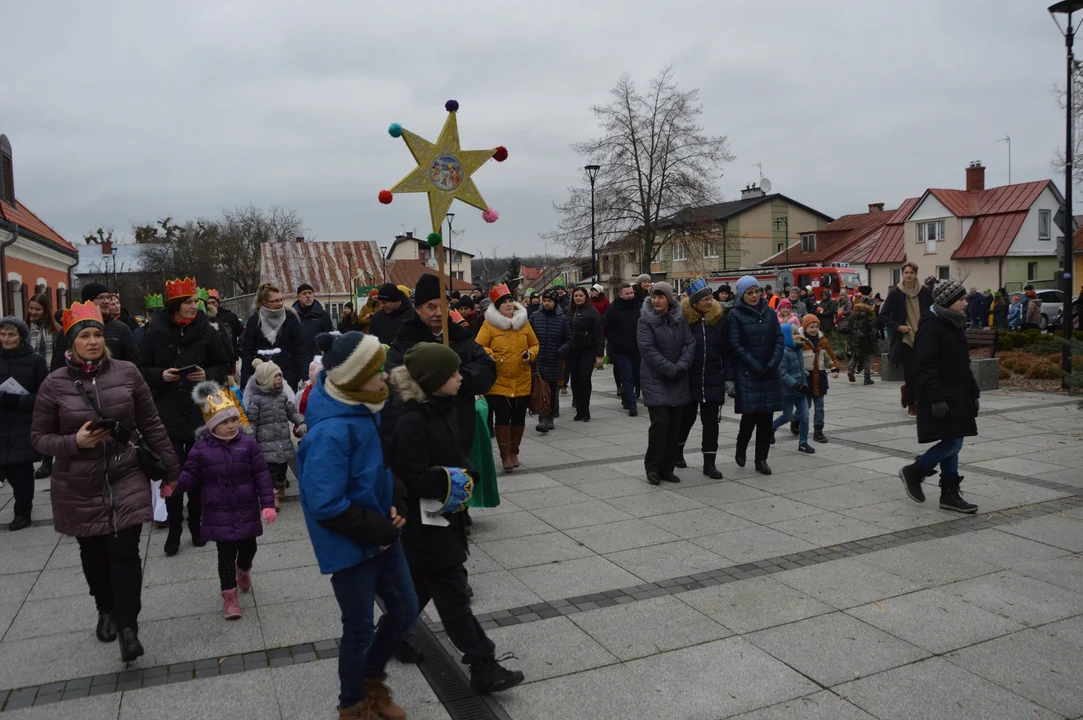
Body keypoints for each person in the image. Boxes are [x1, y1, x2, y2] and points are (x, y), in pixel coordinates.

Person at [31, 301, 179, 662]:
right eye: (85, 335)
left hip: (126, 472)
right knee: (94, 554)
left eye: (98, 334)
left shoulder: (127, 373)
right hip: (78, 484)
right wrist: (73, 443)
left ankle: (129, 628)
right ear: (72, 343)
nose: (94, 341)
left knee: (125, 551)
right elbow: (38, 437)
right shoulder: (54, 384)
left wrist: (171, 470)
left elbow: (151, 423)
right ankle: (105, 607)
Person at [389, 343, 524, 694]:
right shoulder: (412, 421)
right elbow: (412, 475)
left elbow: (454, 454)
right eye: (452, 373)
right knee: (453, 599)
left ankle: (388, 635)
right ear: (434, 381)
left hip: (442, 518)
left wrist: (467, 473)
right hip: (427, 526)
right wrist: (455, 481)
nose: (461, 377)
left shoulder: (439, 410)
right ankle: (483, 664)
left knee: (418, 589)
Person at [297, 331, 418, 719]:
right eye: (377, 371)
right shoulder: (332, 430)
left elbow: (381, 465)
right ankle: (352, 704)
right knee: (359, 628)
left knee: (405, 608)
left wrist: (397, 499)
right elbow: (325, 502)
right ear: (352, 378)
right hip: (351, 545)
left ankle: (371, 680)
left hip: (381, 532)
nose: (385, 378)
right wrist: (380, 528)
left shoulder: (367, 407)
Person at [162, 382, 276, 619]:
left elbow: (262, 474)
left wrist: (267, 503)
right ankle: (230, 597)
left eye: (234, 420)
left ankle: (243, 569)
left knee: (249, 548)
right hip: (218, 513)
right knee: (225, 556)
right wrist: (174, 487)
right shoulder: (201, 449)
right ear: (212, 425)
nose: (231, 425)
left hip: (246, 509)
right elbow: (190, 476)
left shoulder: (248, 444)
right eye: (224, 422)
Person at [139, 277, 231, 556]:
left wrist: (207, 374)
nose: (195, 306)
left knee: (200, 472)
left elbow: (224, 365)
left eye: (196, 301)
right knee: (172, 473)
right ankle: (175, 529)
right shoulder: (154, 331)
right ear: (175, 306)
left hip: (199, 411)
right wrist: (160, 375)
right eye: (189, 302)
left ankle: (196, 525)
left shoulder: (207, 329)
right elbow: (140, 369)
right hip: (166, 411)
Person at [386, 274, 496, 457]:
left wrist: (462, 378)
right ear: (418, 309)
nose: (438, 312)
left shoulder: (461, 337)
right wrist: (431, 383)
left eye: (443, 306)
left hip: (460, 428)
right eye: (431, 307)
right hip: (419, 434)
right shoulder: (405, 341)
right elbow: (393, 382)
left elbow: (487, 368)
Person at [898, 280, 980, 514]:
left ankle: (949, 494)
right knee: (954, 441)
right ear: (948, 301)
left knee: (953, 441)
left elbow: (963, 364)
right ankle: (915, 471)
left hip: (957, 393)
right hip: (943, 395)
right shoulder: (931, 327)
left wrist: (973, 391)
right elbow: (926, 366)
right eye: (961, 299)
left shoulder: (952, 323)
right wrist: (936, 398)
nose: (965, 302)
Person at [475, 284, 539, 472]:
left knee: (519, 417)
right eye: (504, 302)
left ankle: (514, 452)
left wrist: (531, 354)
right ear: (497, 307)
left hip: (522, 379)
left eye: (510, 300)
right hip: (499, 381)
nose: (509, 304)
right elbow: (478, 346)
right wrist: (489, 353)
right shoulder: (489, 325)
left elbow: (535, 344)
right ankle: (504, 455)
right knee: (503, 417)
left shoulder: (524, 323)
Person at [638, 282, 694, 486]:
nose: (656, 300)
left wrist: (681, 365)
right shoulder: (645, 320)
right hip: (656, 378)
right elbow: (647, 349)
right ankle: (652, 467)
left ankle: (667, 468)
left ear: (669, 298)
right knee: (660, 424)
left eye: (661, 297)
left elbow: (690, 343)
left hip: (678, 378)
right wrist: (670, 368)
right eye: (654, 296)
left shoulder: (680, 319)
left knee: (674, 426)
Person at [727, 276, 784, 476]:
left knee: (766, 418)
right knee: (750, 416)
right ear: (742, 294)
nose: (754, 296)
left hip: (768, 371)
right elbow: (735, 345)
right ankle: (741, 447)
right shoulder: (735, 315)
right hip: (748, 372)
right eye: (749, 292)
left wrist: (771, 364)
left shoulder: (769, 312)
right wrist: (754, 365)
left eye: (756, 291)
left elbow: (778, 339)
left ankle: (761, 459)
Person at [0, 317, 49, 530]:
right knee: (7, 470)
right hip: (1, 424)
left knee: (21, 473)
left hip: (23, 423)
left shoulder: (35, 360)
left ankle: (22, 511)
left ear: (21, 336)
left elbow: (45, 396)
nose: (6, 339)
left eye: (11, 334)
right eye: (2, 334)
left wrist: (17, 400)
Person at [676, 279, 727, 479]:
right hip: (689, 379)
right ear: (694, 302)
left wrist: (728, 377)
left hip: (714, 378)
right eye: (704, 299)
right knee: (686, 418)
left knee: (711, 422)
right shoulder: (685, 321)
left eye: (710, 298)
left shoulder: (720, 319)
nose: (709, 302)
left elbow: (727, 350)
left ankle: (709, 462)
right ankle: (677, 451)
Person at [247, 358, 305, 508]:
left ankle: (280, 488)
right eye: (276, 376)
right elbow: (252, 421)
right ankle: (273, 497)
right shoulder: (256, 400)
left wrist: (301, 421)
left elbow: (291, 412)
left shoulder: (282, 397)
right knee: (269, 473)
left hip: (283, 441)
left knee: (282, 470)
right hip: (265, 444)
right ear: (265, 380)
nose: (280, 378)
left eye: (280, 375)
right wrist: (250, 438)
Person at [879, 262, 933, 418]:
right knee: (910, 372)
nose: (909, 275)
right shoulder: (896, 293)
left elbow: (932, 311)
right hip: (905, 338)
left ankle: (907, 391)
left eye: (912, 273)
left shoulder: (925, 293)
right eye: (906, 273)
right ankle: (912, 404)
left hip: (922, 337)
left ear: (916, 274)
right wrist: (898, 327)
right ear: (902, 275)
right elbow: (882, 316)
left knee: (922, 371)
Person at [51, 282, 140, 371]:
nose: (106, 301)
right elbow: (58, 363)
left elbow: (133, 361)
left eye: (107, 297)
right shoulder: (72, 328)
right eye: (100, 298)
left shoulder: (121, 328)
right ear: (88, 301)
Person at [240, 283, 305, 391]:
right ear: (264, 303)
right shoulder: (255, 320)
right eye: (275, 301)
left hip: (287, 374)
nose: (280, 303)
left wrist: (305, 376)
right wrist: (244, 382)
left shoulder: (290, 317)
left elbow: (300, 347)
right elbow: (247, 352)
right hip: (262, 375)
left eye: (281, 299)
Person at [529, 288, 571, 432]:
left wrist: (559, 352)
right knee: (540, 389)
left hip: (554, 360)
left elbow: (569, 340)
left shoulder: (562, 318)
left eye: (549, 301)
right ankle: (542, 419)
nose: (546, 303)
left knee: (552, 390)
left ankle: (550, 417)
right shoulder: (535, 316)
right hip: (539, 359)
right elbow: (528, 336)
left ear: (555, 302)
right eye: (544, 300)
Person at [772, 324, 814, 454]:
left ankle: (803, 442)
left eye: (797, 332)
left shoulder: (798, 349)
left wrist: (804, 375)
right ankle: (771, 428)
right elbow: (782, 373)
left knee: (805, 416)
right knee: (787, 416)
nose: (797, 335)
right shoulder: (783, 352)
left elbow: (798, 368)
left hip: (801, 390)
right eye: (794, 333)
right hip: (788, 391)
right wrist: (796, 384)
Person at [602, 283, 642, 417]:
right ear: (621, 294)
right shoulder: (614, 308)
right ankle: (632, 404)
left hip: (637, 348)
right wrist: (615, 341)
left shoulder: (639, 307)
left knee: (637, 375)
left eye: (631, 293)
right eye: (627, 293)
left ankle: (627, 397)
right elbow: (605, 326)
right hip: (620, 349)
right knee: (627, 376)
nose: (630, 295)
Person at [800, 314, 840, 443]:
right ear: (805, 327)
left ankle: (818, 430)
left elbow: (830, 356)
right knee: (805, 406)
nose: (814, 329)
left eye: (816, 326)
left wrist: (834, 368)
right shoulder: (800, 341)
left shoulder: (823, 341)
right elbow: (795, 359)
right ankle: (796, 420)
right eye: (811, 326)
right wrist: (800, 371)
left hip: (820, 377)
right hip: (806, 377)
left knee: (820, 407)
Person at [567, 287, 604, 422]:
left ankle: (585, 409)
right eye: (575, 296)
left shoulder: (592, 312)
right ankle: (578, 409)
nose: (578, 298)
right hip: (572, 350)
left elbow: (598, 333)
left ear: (585, 297)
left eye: (580, 295)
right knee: (575, 380)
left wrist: (600, 354)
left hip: (588, 350)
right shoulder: (568, 311)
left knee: (584, 379)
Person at [847, 293, 879, 385]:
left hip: (854, 338)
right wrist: (874, 343)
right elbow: (873, 331)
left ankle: (850, 370)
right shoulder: (870, 317)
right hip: (865, 340)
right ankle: (867, 378)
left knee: (854, 355)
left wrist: (851, 337)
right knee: (866, 358)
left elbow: (849, 327)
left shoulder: (854, 315)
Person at [206, 290, 244, 357]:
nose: (211, 305)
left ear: (218, 303)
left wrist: (237, 348)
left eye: (213, 302)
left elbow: (242, 333)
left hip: (229, 355)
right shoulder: (204, 317)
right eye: (208, 303)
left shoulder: (229, 316)